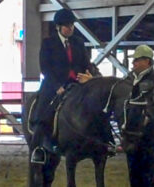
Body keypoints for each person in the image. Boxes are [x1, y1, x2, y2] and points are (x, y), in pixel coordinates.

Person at [30, 8, 100, 164]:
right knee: (44, 110)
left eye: (72, 25)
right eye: (67, 26)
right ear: (58, 27)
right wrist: (57, 86)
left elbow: (85, 64)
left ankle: (103, 141)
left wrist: (89, 76)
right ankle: (38, 147)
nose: (71, 28)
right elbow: (45, 67)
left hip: (77, 83)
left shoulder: (78, 43)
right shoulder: (48, 43)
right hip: (54, 84)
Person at [123, 45, 154, 187]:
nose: (133, 63)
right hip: (133, 136)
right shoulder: (129, 80)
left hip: (152, 136)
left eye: (137, 60)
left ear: (147, 61)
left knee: (153, 176)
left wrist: (148, 117)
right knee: (135, 176)